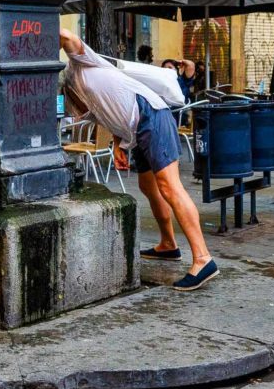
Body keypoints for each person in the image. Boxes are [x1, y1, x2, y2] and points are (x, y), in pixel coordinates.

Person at [60, 28, 218, 291]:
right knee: (148, 185)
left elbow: (67, 36)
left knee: (169, 185)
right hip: (135, 129)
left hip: (151, 116)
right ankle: (168, 245)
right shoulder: (75, 93)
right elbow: (107, 106)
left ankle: (203, 258)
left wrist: (33, 27)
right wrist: (117, 143)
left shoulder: (80, 63)